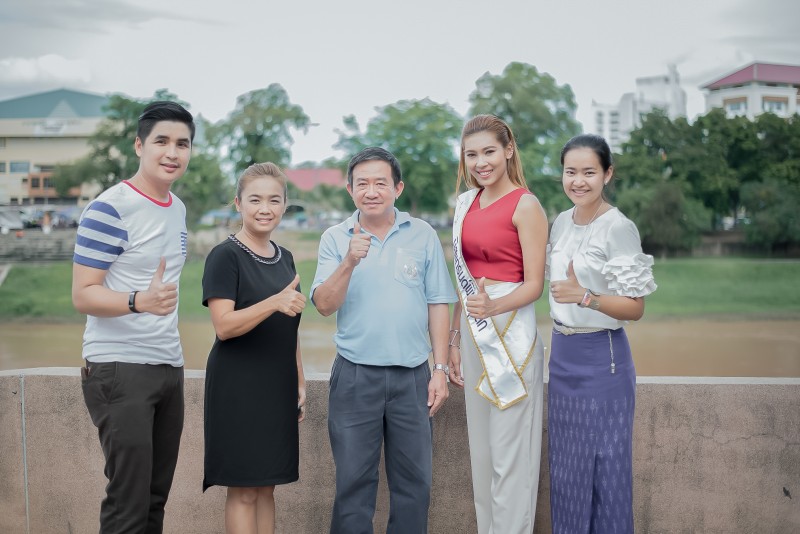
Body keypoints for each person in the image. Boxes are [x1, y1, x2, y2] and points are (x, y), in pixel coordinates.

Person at [311, 146, 457, 534]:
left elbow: (438, 303)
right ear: (349, 189)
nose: (371, 191)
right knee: (352, 487)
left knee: (415, 487)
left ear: (398, 188)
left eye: (381, 183)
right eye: (362, 184)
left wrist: (440, 369)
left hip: (413, 377)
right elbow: (323, 305)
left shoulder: (422, 234)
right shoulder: (334, 238)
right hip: (355, 377)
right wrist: (349, 261)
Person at [72, 100, 195, 533]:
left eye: (182, 143)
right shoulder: (110, 207)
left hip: (168, 365)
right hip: (120, 367)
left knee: (154, 501)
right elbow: (83, 294)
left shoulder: (177, 208)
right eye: (162, 141)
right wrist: (138, 301)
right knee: (128, 504)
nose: (172, 152)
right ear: (139, 145)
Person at [547, 134, 657, 533]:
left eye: (589, 172)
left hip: (602, 359)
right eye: (570, 172)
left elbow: (636, 307)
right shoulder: (561, 221)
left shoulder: (618, 227)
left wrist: (587, 297)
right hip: (561, 356)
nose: (578, 181)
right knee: (566, 472)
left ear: (607, 174)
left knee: (605, 470)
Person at [448, 114, 548, 534]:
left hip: (511, 331)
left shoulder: (526, 205)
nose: (481, 162)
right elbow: (465, 283)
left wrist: (495, 306)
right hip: (475, 330)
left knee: (511, 456)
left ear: (508, 150)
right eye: (471, 154)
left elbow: (535, 285)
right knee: (484, 454)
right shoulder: (466, 204)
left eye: (489, 151)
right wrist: (454, 341)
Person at [201, 162, 307, 534]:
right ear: (238, 203)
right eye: (255, 200)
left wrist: (299, 380)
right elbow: (224, 326)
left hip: (276, 386)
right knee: (244, 489)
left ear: (284, 205)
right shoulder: (224, 256)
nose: (265, 208)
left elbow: (290, 326)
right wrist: (273, 302)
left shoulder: (285, 257)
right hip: (238, 386)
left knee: (266, 486)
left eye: (274, 200)